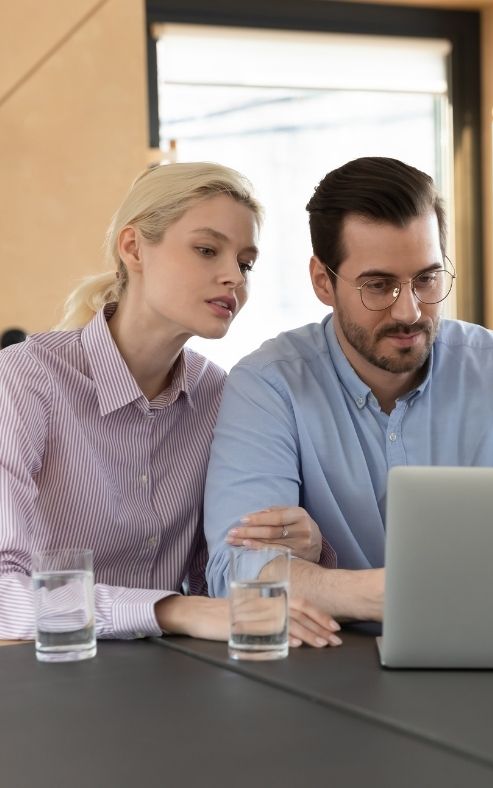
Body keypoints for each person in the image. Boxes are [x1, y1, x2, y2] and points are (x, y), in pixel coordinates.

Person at [204, 156, 493, 627]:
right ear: (323, 281)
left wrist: (321, 582)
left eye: (426, 279)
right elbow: (238, 572)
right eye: (379, 286)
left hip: (487, 650)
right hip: (328, 666)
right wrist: (386, 594)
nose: (409, 312)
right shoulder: (269, 385)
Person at [0, 162, 337, 646]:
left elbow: (218, 579)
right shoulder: (24, 380)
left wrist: (308, 548)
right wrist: (170, 609)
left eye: (245, 263)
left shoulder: (222, 397)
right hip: (46, 680)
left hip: (174, 681)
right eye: (206, 250)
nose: (233, 278)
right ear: (134, 247)